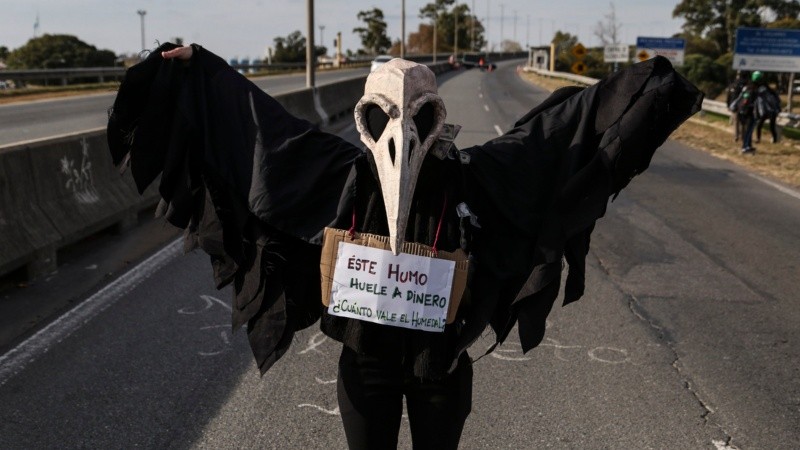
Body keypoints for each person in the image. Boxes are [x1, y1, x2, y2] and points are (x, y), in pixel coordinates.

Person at [110, 43, 701, 450]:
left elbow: (561, 131)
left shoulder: (474, 176)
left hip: (441, 367)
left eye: (418, 121)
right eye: (384, 119)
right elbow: (258, 126)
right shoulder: (342, 172)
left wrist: (646, 82)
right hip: (365, 366)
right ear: (366, 121)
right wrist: (198, 68)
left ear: (437, 120)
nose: (403, 138)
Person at [752, 71, 781, 144]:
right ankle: (774, 139)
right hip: (772, 110)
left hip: (765, 110)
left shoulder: (759, 89)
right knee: (771, 126)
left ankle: (758, 139)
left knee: (759, 125)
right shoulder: (768, 89)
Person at [730, 77, 757, 153]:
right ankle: (745, 147)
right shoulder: (751, 91)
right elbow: (747, 102)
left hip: (742, 111)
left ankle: (748, 145)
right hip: (747, 112)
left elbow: (741, 99)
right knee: (748, 130)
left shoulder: (745, 90)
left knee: (747, 130)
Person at [726, 72, 747, 142]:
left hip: (734, 105)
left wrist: (728, 105)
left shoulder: (733, 85)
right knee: (743, 122)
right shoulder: (745, 85)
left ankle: (736, 136)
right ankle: (743, 137)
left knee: (736, 121)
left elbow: (728, 95)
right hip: (743, 105)